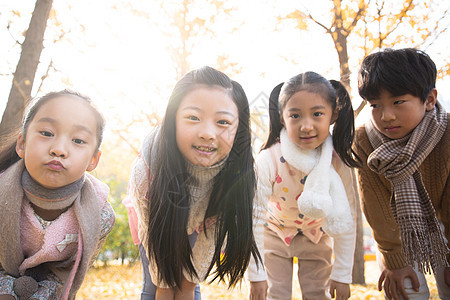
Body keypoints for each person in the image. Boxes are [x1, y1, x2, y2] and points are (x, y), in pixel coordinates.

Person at [126, 66, 262, 300]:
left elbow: (207, 244)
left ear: (238, 128)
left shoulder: (237, 174)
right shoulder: (148, 171)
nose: (208, 133)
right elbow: (152, 234)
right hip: (158, 219)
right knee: (159, 285)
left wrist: (189, 284)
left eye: (222, 122)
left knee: (188, 285)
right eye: (193, 118)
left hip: (202, 222)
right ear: (173, 120)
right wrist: (164, 284)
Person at [248, 71, 360, 300]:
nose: (306, 126)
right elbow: (254, 217)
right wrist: (256, 275)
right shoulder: (269, 159)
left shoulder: (338, 163)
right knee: (275, 294)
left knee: (318, 294)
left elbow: (346, 217)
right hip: (274, 233)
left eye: (317, 114)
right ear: (282, 117)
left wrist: (342, 274)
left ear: (333, 115)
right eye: (295, 116)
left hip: (316, 235)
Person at [354, 47, 450, 300]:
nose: (386, 115)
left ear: (429, 100)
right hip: (396, 230)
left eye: (398, 102)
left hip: (444, 221)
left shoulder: (447, 133)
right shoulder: (364, 139)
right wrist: (394, 261)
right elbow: (375, 207)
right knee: (405, 290)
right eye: (375, 105)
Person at [0, 90, 115, 300]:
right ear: (21, 143)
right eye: (46, 133)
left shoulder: (100, 215)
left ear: (93, 160)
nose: (59, 149)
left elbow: (67, 275)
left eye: (78, 140)